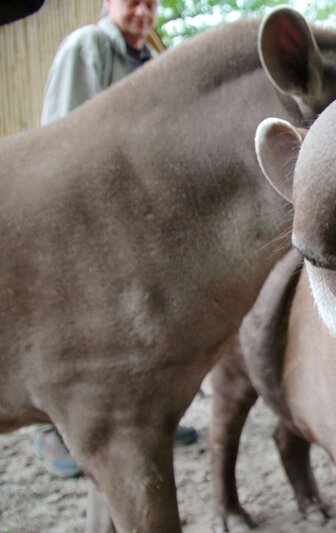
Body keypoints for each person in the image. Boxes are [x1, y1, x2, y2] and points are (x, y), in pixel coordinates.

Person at [34, 0, 198, 479]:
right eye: (133, 2)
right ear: (109, 3)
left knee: (137, 325)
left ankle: (146, 423)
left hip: (136, 218)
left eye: (151, 3)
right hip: (87, 215)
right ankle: (56, 431)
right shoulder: (89, 47)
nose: (143, 12)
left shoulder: (151, 60)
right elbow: (64, 133)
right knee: (76, 324)